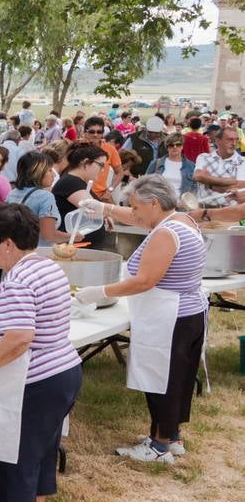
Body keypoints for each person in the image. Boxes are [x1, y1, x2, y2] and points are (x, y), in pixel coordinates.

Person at [0, 203, 83, 502]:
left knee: (17, 458)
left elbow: (19, 337)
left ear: (7, 244)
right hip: (62, 372)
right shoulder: (46, 266)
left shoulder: (19, 279)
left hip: (34, 381)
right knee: (42, 452)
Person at [75, 177, 207, 463]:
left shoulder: (165, 233)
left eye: (136, 206)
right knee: (178, 379)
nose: (133, 213)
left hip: (170, 317)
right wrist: (103, 208)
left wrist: (98, 292)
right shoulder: (182, 219)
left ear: (154, 203)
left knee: (163, 380)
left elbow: (145, 280)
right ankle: (171, 436)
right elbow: (138, 219)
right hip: (188, 313)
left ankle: (159, 448)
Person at [52, 144, 111, 249]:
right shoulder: (70, 182)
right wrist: (108, 213)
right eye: (101, 165)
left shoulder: (77, 182)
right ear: (85, 162)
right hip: (75, 250)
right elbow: (93, 208)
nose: (102, 170)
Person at [6, 151, 62, 245]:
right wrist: (72, 236)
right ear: (38, 172)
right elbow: (48, 235)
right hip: (39, 252)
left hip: (17, 251)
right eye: (49, 170)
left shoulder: (11, 194)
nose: (53, 174)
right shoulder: (46, 197)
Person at [192, 125, 245, 201]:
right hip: (203, 209)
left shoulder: (242, 161)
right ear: (218, 140)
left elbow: (238, 188)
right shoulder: (203, 157)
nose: (234, 143)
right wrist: (228, 181)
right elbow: (198, 176)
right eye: (230, 140)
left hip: (228, 210)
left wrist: (208, 183)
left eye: (236, 140)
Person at [147, 133, 196, 197]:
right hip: (159, 203)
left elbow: (195, 188)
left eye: (178, 144)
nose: (174, 147)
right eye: (171, 145)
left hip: (182, 204)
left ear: (182, 146)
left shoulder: (191, 166)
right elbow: (146, 184)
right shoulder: (156, 163)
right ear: (167, 147)